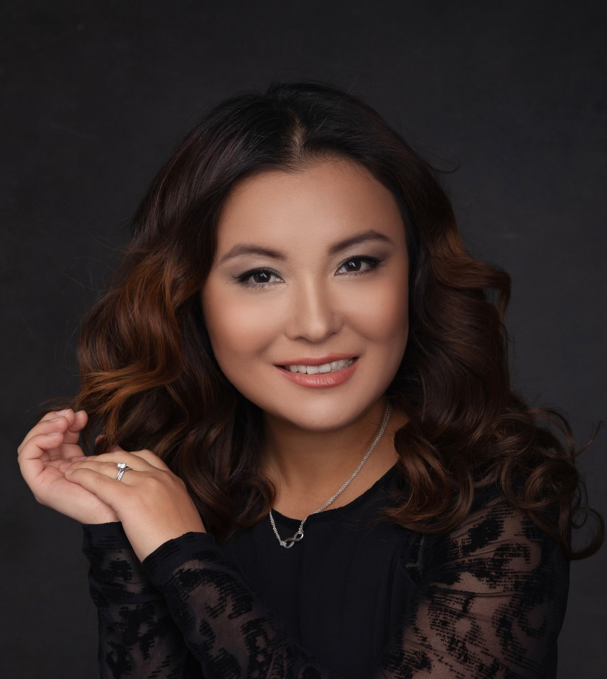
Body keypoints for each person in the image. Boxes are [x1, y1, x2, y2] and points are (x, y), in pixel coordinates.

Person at [17, 81, 603, 679]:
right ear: (189, 295)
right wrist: (116, 527)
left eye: (356, 264)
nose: (316, 324)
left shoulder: (501, 504)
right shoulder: (176, 487)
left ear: (415, 275)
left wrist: (181, 556)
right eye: (260, 275)